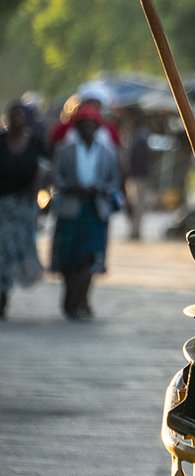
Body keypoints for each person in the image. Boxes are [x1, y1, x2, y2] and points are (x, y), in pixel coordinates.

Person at [50, 102, 121, 319]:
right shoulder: (65, 151)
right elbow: (56, 177)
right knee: (69, 255)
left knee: (91, 256)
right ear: (77, 127)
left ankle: (82, 299)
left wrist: (98, 189)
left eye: (93, 125)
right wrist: (70, 187)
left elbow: (113, 180)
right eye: (84, 125)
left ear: (98, 128)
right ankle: (70, 298)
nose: (89, 129)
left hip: (95, 209)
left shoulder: (107, 153)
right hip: (71, 208)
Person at [0, 101, 48, 318]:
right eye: (14, 116)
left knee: (20, 252)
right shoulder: (1, 142)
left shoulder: (35, 144)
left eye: (21, 116)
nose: (17, 120)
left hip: (24, 207)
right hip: (2, 206)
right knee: (2, 253)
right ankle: (2, 297)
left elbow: (46, 168)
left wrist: (39, 189)